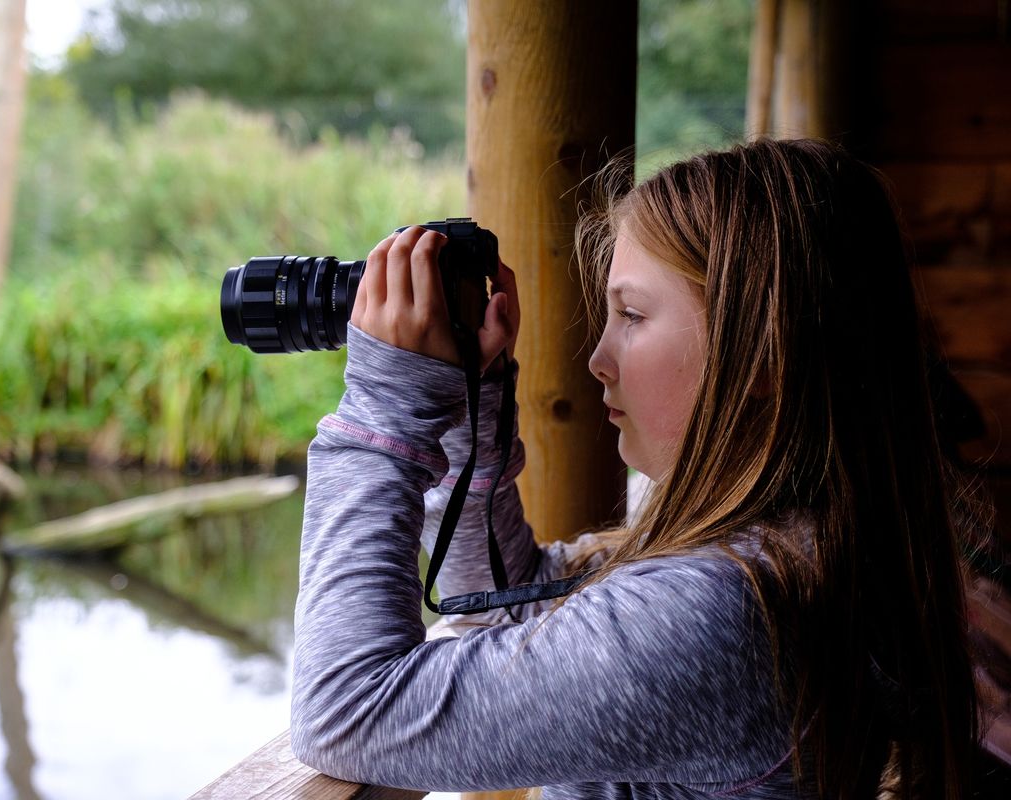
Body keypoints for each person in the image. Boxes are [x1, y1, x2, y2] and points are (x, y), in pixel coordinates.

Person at [290, 138, 978, 799]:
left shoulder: (724, 610)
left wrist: (387, 405)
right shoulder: (798, 546)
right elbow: (510, 602)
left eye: (632, 315)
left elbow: (346, 713)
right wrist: (472, 404)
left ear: (768, 356)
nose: (598, 359)